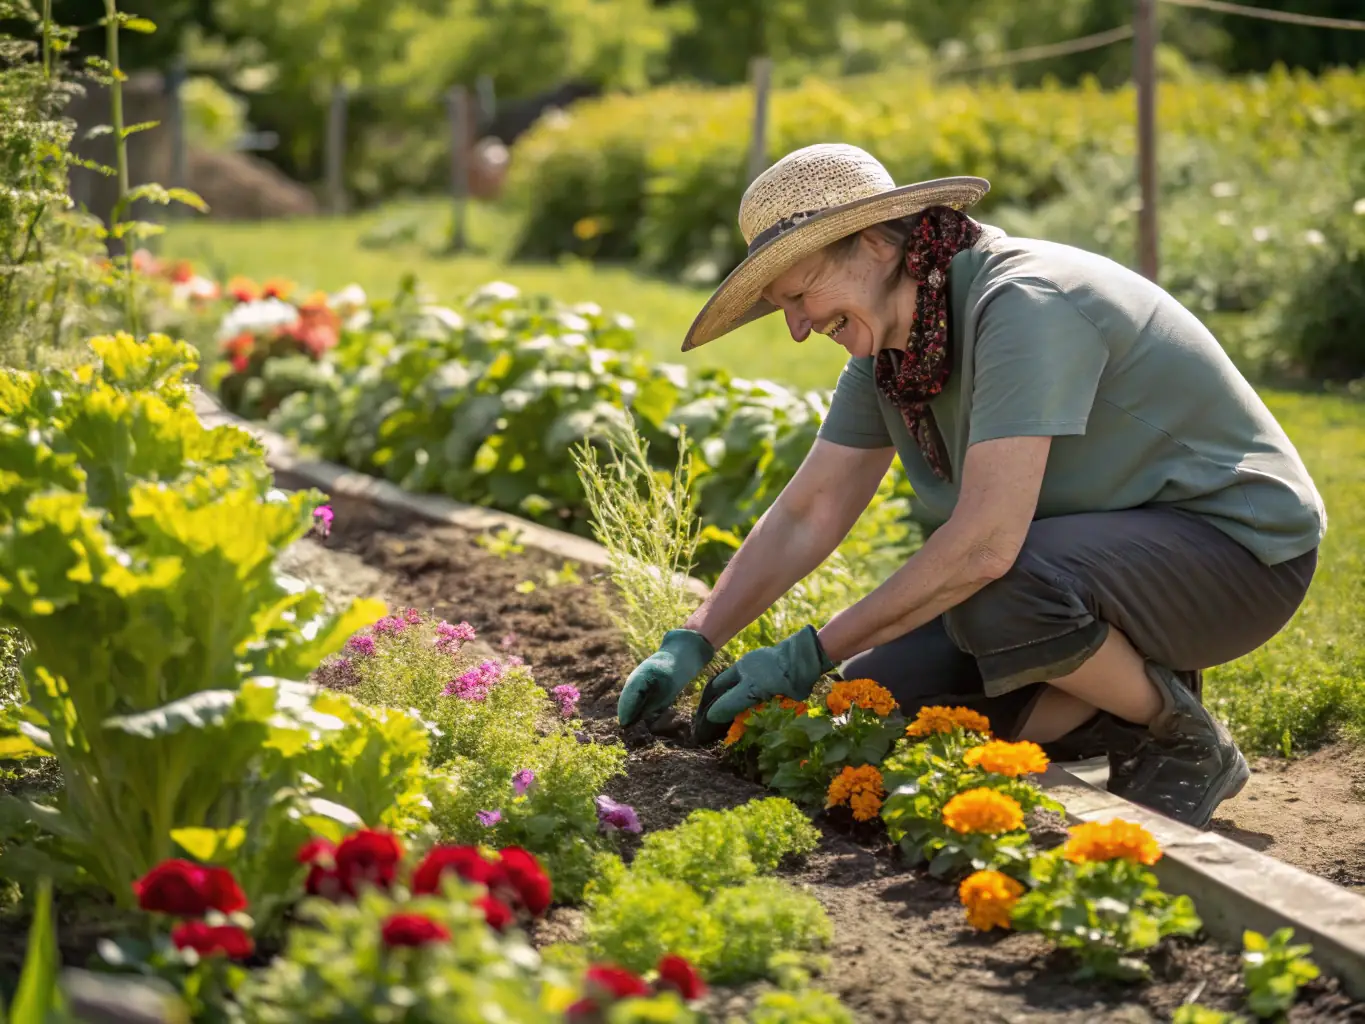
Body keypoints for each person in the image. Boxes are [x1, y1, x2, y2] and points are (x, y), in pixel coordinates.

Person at [614, 142, 1326, 829]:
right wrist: (694, 639)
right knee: (874, 709)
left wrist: (809, 651)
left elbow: (985, 545)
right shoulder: (893, 349)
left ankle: (1179, 734)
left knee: (1000, 584)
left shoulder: (1022, 303)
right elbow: (813, 508)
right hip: (1085, 566)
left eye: (800, 294)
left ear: (873, 243)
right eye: (784, 308)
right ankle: (1108, 701)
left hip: (1233, 557)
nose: (798, 328)